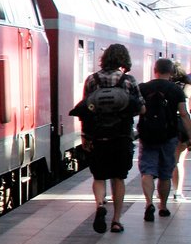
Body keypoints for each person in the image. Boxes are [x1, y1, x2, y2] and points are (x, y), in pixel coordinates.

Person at [71, 43, 143, 233]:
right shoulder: (128, 81)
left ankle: (100, 206)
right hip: (121, 137)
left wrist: (85, 136)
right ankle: (117, 221)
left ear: (104, 59)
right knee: (119, 178)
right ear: (124, 60)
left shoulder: (92, 80)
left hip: (98, 136)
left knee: (99, 176)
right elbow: (141, 107)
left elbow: (85, 109)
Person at [137, 57, 191, 221]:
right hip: (169, 136)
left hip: (147, 136)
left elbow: (137, 109)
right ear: (172, 72)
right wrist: (190, 135)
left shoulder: (143, 88)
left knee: (147, 170)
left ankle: (148, 203)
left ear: (155, 70)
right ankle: (163, 206)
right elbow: (183, 113)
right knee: (165, 173)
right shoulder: (176, 90)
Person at [170, 61, 189, 200]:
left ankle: (162, 189)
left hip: (166, 126)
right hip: (182, 126)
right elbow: (186, 111)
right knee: (179, 160)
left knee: (166, 159)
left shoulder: (165, 87)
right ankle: (177, 192)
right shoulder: (186, 87)